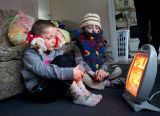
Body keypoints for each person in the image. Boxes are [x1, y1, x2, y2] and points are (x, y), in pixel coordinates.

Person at [21, 20, 102, 107]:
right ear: (37, 40)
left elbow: (65, 64)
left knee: (67, 57)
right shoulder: (30, 54)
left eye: (55, 37)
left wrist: (78, 70)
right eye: (49, 38)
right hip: (40, 92)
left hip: (55, 88)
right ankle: (77, 95)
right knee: (61, 60)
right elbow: (43, 71)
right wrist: (71, 73)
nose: (53, 41)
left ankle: (83, 90)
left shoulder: (54, 49)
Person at [73, 13, 125, 90]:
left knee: (118, 70)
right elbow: (79, 61)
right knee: (78, 74)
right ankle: (108, 83)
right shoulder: (78, 43)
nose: (94, 30)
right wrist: (91, 72)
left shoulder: (103, 41)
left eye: (97, 27)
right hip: (88, 71)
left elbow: (110, 59)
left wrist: (103, 70)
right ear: (84, 28)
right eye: (90, 27)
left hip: (101, 69)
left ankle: (97, 80)